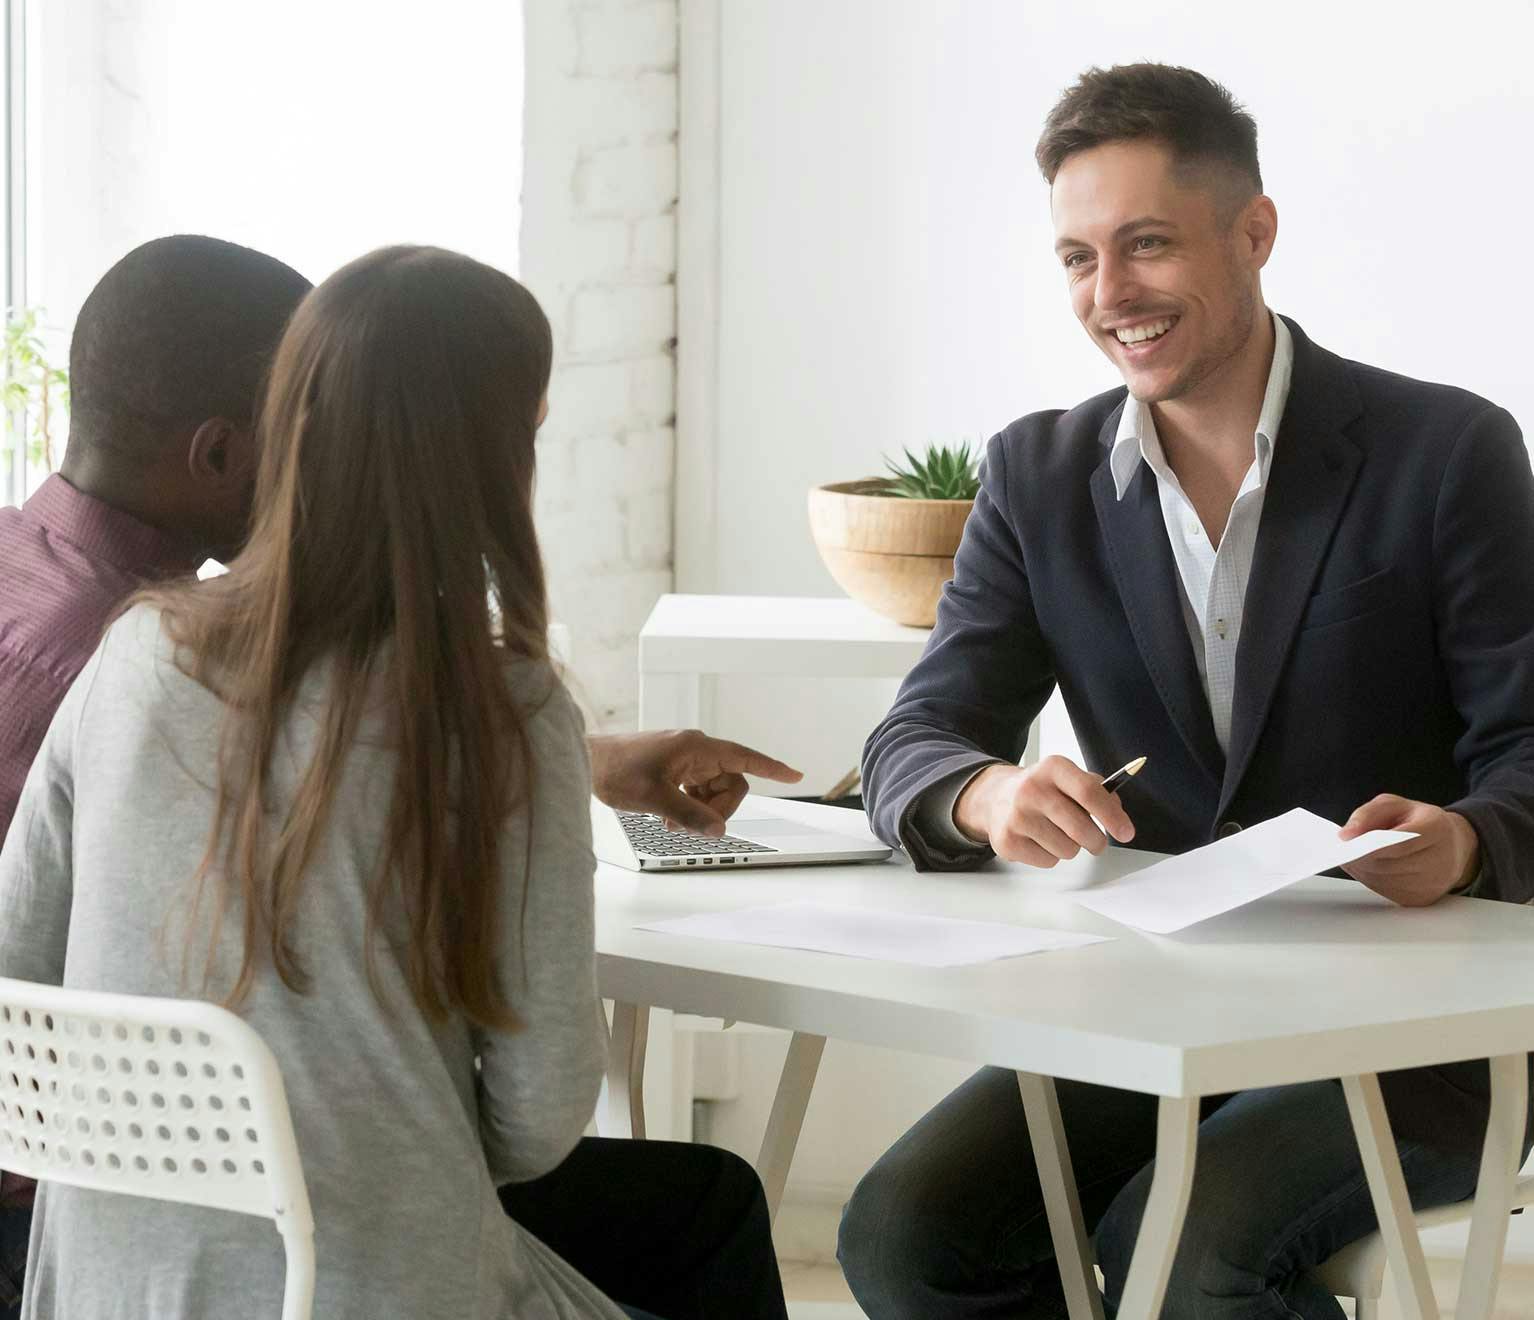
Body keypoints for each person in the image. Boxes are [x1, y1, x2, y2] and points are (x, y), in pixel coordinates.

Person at [842, 63, 1534, 1319]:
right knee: (905, 1234)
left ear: (1254, 232)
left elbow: (1532, 749)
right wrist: (983, 794)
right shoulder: (1036, 474)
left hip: (1412, 1036)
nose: (1110, 297)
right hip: (1156, 1012)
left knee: (1178, 1256)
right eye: (1075, 258)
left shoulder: (1446, 452)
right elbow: (915, 737)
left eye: (1146, 245)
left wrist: (1471, 841)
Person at [0, 243, 791, 1318]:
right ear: (488, 461)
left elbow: (19, 982)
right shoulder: (506, 714)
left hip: (104, 1287)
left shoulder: (134, 654)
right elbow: (540, 1118)